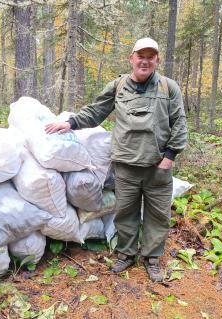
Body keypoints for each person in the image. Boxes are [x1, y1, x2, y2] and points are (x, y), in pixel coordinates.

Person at [45, 37, 187, 282]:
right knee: (126, 213)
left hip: (157, 166)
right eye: (140, 56)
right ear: (131, 58)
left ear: (157, 60)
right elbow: (97, 111)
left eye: (150, 57)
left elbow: (180, 122)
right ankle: (126, 255)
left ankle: (152, 259)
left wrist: (170, 156)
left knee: (158, 214)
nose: (145, 61)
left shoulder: (168, 87)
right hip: (126, 165)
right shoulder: (119, 85)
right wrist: (70, 123)